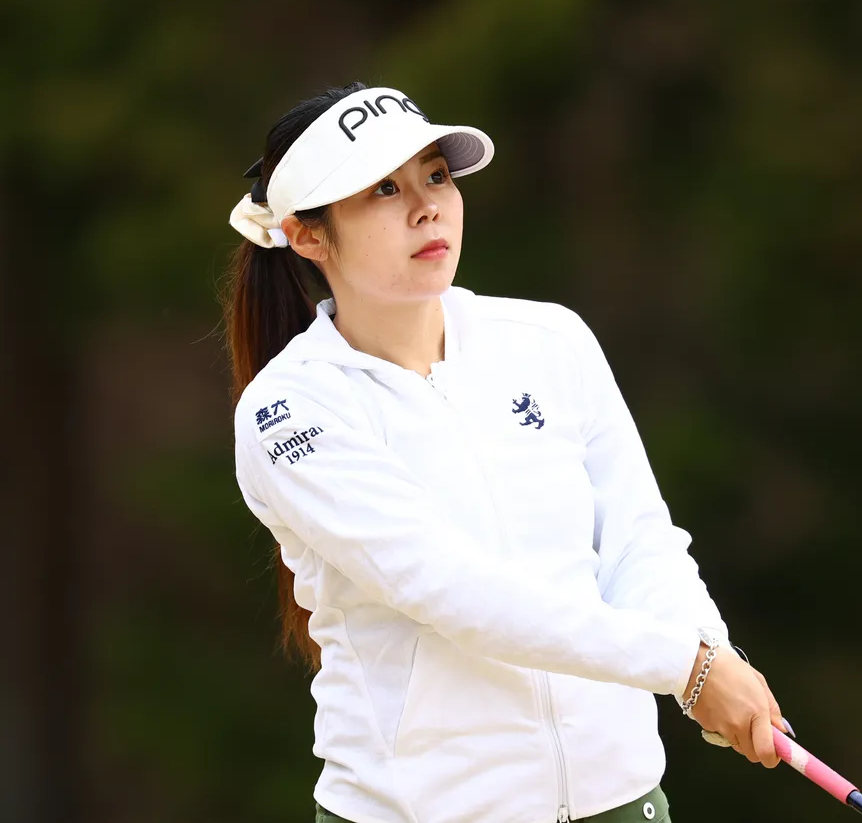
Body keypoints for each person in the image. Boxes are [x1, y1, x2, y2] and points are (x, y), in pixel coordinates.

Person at [222, 83, 789, 823]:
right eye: (384, 190)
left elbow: (637, 541)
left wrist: (711, 651)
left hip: (621, 801)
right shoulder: (291, 410)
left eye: (435, 176)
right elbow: (457, 593)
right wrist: (688, 667)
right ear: (306, 236)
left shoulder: (550, 340)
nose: (426, 207)